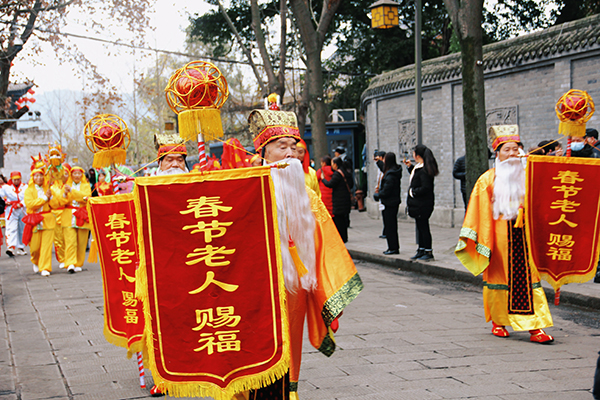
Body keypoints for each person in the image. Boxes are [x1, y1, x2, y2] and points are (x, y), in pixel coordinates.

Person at [248, 106, 363, 399]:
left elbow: (326, 242)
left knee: (290, 349)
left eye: (293, 147)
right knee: (257, 353)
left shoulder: (307, 194)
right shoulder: (247, 188)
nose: (290, 153)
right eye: (280, 146)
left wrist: (327, 289)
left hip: (294, 286)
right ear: (264, 151)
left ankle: (287, 394)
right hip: (257, 287)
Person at [455, 125, 554, 344]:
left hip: (526, 237)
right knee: (499, 279)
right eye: (506, 149)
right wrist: (484, 242)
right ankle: (498, 322)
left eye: (515, 149)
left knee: (530, 278)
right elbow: (477, 213)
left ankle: (535, 326)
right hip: (499, 239)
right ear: (497, 153)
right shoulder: (487, 180)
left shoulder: (530, 176)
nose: (511, 153)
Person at [404, 144, 439, 261]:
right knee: (420, 227)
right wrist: (410, 167)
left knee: (424, 228)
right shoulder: (420, 167)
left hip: (422, 204)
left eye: (414, 153)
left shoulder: (424, 170)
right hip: (419, 204)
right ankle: (421, 249)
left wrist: (413, 192)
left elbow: (425, 187)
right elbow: (416, 178)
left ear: (418, 155)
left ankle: (428, 251)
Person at [24, 168, 60, 277]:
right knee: (34, 247)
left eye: (41, 175)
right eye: (36, 176)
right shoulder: (29, 190)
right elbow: (30, 204)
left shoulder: (48, 189)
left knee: (46, 246)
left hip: (47, 219)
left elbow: (55, 205)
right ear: (32, 178)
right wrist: (44, 199)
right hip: (34, 219)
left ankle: (45, 267)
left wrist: (51, 197)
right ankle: (35, 261)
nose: (39, 178)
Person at [58, 166, 91, 273]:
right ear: (71, 175)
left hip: (82, 214)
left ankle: (79, 262)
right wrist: (65, 194)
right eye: (74, 173)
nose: (77, 175)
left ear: (82, 175)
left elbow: (85, 197)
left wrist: (72, 192)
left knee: (82, 241)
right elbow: (61, 201)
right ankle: (70, 263)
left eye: (79, 173)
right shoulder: (66, 186)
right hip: (68, 215)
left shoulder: (86, 186)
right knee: (70, 241)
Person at [374, 152, 402, 255]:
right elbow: (382, 167)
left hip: (389, 203)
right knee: (391, 226)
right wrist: (378, 162)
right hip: (393, 202)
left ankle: (393, 247)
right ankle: (393, 247)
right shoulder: (395, 171)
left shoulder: (390, 175)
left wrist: (378, 195)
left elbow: (386, 191)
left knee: (390, 226)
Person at [321, 156, 353, 243]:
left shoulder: (337, 174)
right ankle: (345, 237)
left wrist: (323, 179)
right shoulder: (346, 172)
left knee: (339, 221)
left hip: (339, 200)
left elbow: (330, 184)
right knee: (344, 219)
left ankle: (341, 238)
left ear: (335, 164)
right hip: (346, 199)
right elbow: (351, 184)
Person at [1, 171, 27, 257]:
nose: (16, 181)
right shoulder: (6, 187)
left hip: (22, 209)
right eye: (14, 180)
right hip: (11, 209)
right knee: (11, 228)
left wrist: (21, 204)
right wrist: (5, 202)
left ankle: (21, 247)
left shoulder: (25, 187)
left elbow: (28, 197)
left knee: (22, 228)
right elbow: (1, 196)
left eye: (18, 179)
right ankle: (10, 247)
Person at [373, 151, 387, 239]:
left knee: (387, 215)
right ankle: (385, 231)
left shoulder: (385, 167)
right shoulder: (381, 167)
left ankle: (386, 232)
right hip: (380, 190)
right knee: (384, 214)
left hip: (385, 195)